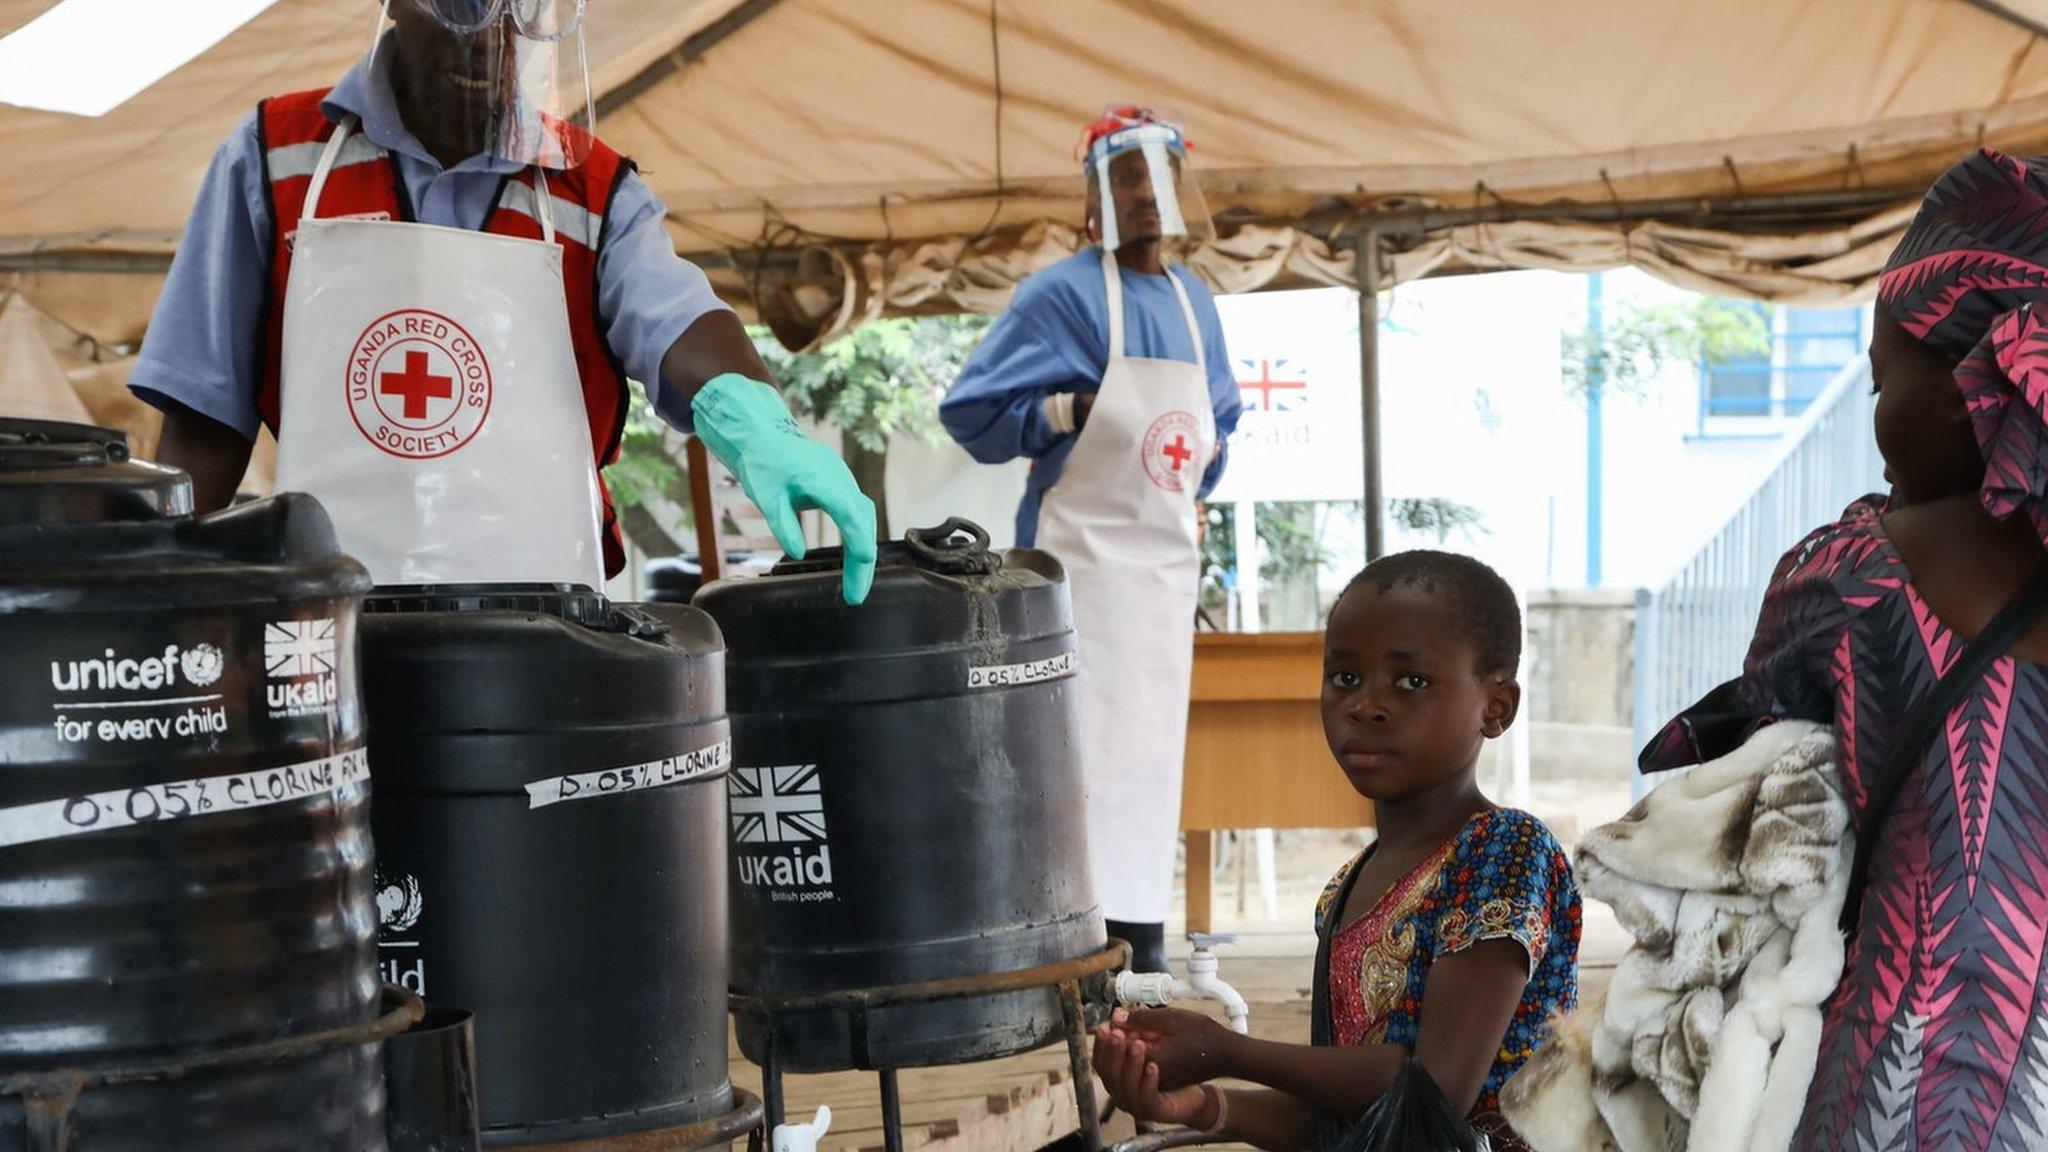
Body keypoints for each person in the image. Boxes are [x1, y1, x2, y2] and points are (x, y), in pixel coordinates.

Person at [128, 0, 876, 603]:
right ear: (394, 6)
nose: (491, 38)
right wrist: (172, 599)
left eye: (524, 11)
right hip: (330, 614)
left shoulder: (592, 190)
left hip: (544, 621)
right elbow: (205, 412)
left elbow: (678, 321)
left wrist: (762, 427)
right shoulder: (274, 155)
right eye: (462, 7)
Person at [1638, 147, 2048, 1150]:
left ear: (1971, 386)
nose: (1874, 425)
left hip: (1911, 1092)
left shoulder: (1861, 576)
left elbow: (1742, 804)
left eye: (1876, 385)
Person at [1093, 551, 1581, 1152]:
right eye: (1345, 677)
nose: (1366, 705)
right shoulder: (1348, 886)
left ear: (1496, 706)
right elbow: (1352, 1124)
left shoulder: (1506, 851)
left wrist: (1230, 1051)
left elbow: (1432, 1092)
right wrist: (1199, 1105)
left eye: (1411, 682)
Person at [939, 106, 1244, 972]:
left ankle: (1140, 946)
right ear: (1095, 199)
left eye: (1161, 179)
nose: (1148, 197)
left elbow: (1215, 428)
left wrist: (1198, 471)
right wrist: (1065, 412)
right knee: (1070, 758)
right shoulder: (1059, 295)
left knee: (1148, 760)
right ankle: (1067, 947)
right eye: (1127, 180)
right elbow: (972, 412)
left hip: (1160, 574)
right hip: (1074, 566)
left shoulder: (1196, 303)